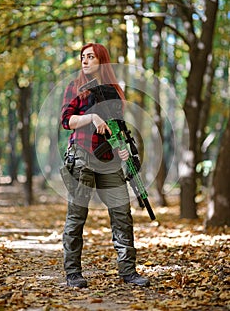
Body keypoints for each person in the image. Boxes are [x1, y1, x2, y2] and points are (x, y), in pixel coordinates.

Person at [60, 43, 150, 288]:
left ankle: (128, 271)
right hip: (81, 156)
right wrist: (91, 116)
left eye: (91, 57)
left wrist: (121, 148)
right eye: (82, 57)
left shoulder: (114, 90)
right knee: (77, 216)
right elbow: (66, 121)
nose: (85, 61)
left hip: (109, 161)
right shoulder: (75, 87)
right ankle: (73, 273)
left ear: (102, 60)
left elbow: (117, 128)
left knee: (122, 215)